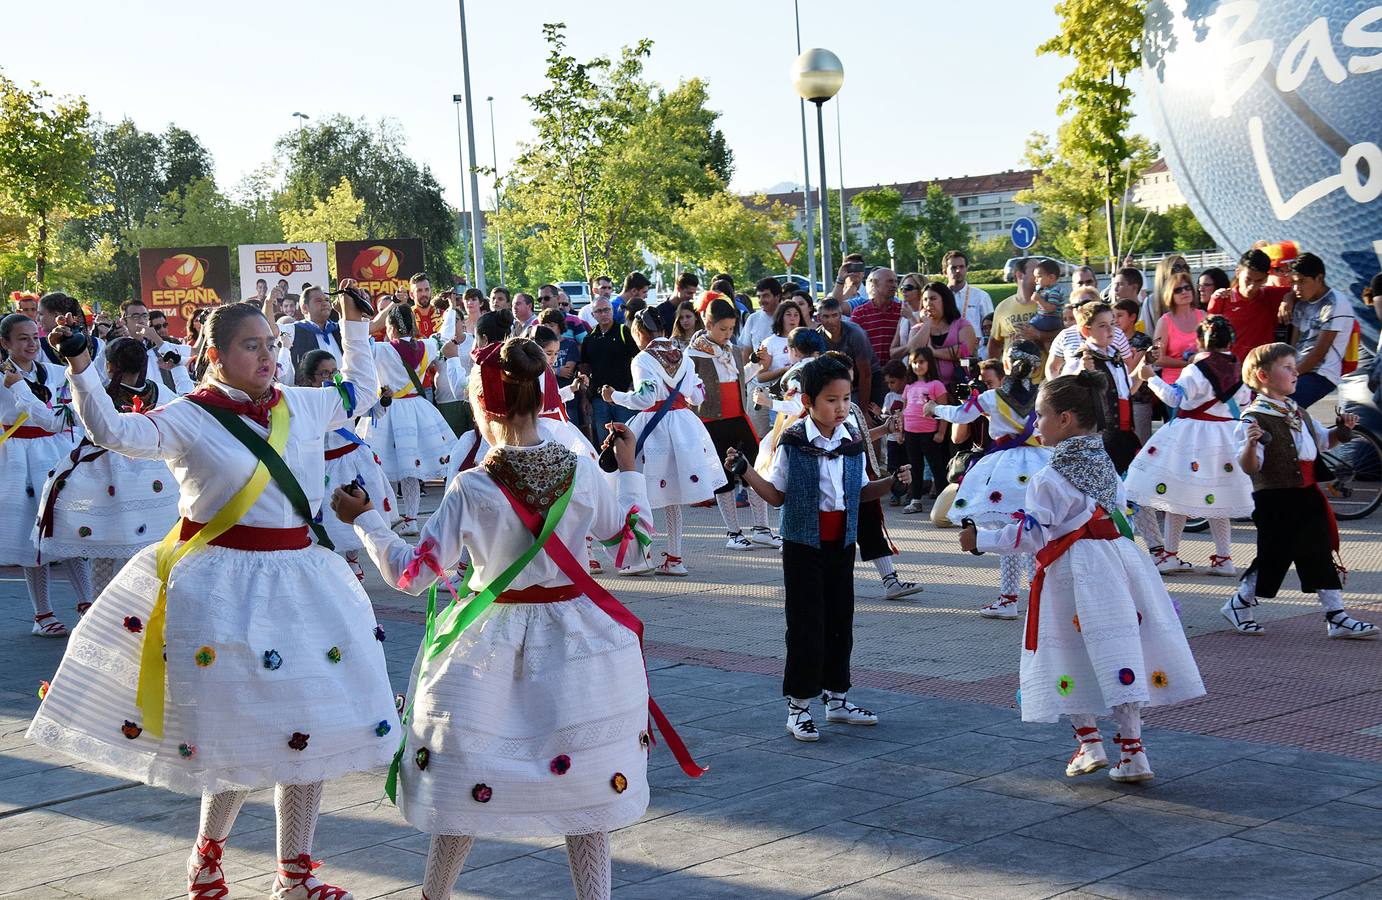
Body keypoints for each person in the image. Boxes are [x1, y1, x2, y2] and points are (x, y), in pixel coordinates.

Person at [29, 296, 398, 900]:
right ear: (217, 355)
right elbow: (111, 431)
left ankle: (296, 873)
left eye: (271, 345)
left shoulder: (303, 405)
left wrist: (356, 324)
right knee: (238, 730)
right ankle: (208, 855)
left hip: (302, 583)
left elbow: (360, 387)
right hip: (222, 590)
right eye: (251, 346)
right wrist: (80, 368)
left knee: (312, 724)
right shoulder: (188, 417)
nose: (267, 357)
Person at [334, 336, 695, 900]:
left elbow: (413, 576)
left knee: (464, 779)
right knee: (583, 787)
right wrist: (627, 470)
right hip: (577, 639)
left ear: (481, 407)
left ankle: (436, 894)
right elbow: (630, 547)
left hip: (487, 644)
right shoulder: (579, 469)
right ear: (543, 398)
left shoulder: (473, 486)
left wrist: (366, 522)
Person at [959, 373, 1205, 783]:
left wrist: (979, 539)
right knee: (1118, 650)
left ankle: (1089, 742)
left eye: (1040, 416)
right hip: (1118, 565)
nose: (1035, 424)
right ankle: (1133, 752)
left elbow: (1032, 534)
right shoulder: (1103, 462)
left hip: (1072, 574)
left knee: (1068, 652)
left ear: (1066, 419)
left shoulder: (1049, 477)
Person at [730, 356, 910, 741]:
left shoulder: (851, 441)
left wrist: (894, 481)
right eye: (831, 400)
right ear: (808, 401)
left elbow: (861, 492)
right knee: (806, 627)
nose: (841, 407)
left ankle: (838, 699)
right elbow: (776, 496)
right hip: (802, 546)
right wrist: (746, 471)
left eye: (846, 398)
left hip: (840, 545)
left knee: (840, 623)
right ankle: (798, 707)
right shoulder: (792, 442)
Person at [1223, 344, 1378, 640]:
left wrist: (1342, 430)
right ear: (1263, 375)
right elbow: (1250, 466)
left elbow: (1323, 442)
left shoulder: (1297, 411)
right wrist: (1252, 445)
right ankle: (1239, 603)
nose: (1296, 373)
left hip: (1306, 493)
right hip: (1276, 497)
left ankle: (1337, 616)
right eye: (1288, 368)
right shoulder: (1254, 418)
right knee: (1274, 557)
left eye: (1295, 366)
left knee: (1318, 552)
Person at [34, 336, 181, 597]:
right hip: (152, 478)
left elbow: (73, 421)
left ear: (110, 366)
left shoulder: (95, 392)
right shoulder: (161, 392)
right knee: (146, 551)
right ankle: (138, 614)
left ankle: (101, 608)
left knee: (104, 550)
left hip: (103, 479)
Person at [927, 341, 1049, 619]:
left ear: (1006, 365)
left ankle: (1008, 599)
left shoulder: (993, 398)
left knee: (1007, 534)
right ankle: (1039, 597)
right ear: (1036, 368)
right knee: (1033, 530)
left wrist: (934, 409)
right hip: (1040, 464)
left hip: (1005, 471)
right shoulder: (1044, 395)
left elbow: (961, 415)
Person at [1125, 316, 1252, 578]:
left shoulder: (1195, 369)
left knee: (1176, 495)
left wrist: (1151, 378)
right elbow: (1244, 404)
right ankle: (1224, 558)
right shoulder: (1238, 368)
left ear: (1200, 340)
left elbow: (1174, 397)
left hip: (1192, 438)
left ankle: (1169, 554)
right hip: (1225, 438)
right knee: (1220, 498)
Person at [604, 308, 726, 575]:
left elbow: (645, 398)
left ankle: (640, 557)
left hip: (653, 428)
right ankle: (675, 558)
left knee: (639, 489)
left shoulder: (642, 359)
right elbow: (697, 396)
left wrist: (615, 397)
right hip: (684, 428)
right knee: (673, 495)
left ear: (639, 331)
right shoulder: (683, 356)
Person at [1, 313, 90, 636]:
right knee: (31, 538)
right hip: (17, 460)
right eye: (22, 338)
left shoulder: (52, 372)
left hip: (53, 453)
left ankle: (87, 603)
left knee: (70, 530)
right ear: (5, 343)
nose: (30, 344)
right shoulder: (2, 379)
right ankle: (43, 613)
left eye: (33, 337)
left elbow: (61, 416)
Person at [297, 348, 399, 582]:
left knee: (356, 506)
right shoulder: (304, 400)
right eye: (324, 373)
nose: (331, 378)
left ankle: (352, 558)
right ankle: (334, 561)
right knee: (329, 516)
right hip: (322, 465)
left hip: (352, 460)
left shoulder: (347, 392)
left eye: (334, 371)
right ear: (311, 378)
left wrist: (383, 400)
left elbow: (372, 410)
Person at [360, 303, 458, 536]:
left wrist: (377, 318)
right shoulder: (427, 346)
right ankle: (411, 519)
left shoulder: (381, 349)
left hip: (388, 409)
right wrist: (452, 310)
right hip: (416, 409)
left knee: (382, 466)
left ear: (390, 326)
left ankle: (389, 517)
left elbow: (356, 338)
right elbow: (445, 334)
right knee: (409, 468)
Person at [689, 297, 777, 550]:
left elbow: (741, 380)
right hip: (712, 421)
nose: (727, 334)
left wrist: (757, 364)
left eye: (730, 329)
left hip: (739, 418)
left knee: (754, 470)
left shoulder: (732, 351)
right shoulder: (692, 354)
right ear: (708, 323)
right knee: (723, 477)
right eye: (722, 329)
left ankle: (762, 528)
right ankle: (733, 533)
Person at [1288, 253, 1356, 408]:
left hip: (1321, 373)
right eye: (1293, 282)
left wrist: (1289, 377)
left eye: (1302, 282)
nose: (1296, 288)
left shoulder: (1335, 303)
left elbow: (1319, 353)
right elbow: (1293, 345)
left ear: (1319, 278)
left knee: (1281, 406)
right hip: (1298, 371)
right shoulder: (1301, 302)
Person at [1207, 249, 1293, 364]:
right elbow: (1210, 341)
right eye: (1248, 279)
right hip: (1232, 371)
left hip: (1263, 370)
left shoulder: (1271, 295)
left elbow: (1301, 289)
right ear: (1238, 273)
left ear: (1266, 278)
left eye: (1258, 280)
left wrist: (1289, 298)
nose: (1252, 286)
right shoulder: (1220, 299)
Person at [899, 346, 950, 514]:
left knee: (937, 466)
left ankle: (945, 501)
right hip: (911, 431)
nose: (917, 366)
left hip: (930, 433)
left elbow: (944, 411)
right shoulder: (909, 386)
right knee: (915, 466)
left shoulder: (937, 385)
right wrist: (901, 432)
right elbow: (904, 411)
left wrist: (941, 432)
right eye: (914, 362)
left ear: (930, 363)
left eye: (921, 362)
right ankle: (915, 500)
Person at [580, 297, 639, 440]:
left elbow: (638, 360)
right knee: (604, 442)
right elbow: (585, 369)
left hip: (623, 396)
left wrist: (632, 387)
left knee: (628, 440)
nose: (603, 314)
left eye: (606, 310)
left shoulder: (623, 331)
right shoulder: (590, 338)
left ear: (612, 311)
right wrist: (585, 397)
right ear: (593, 315)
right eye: (599, 311)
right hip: (599, 399)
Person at [901, 282, 979, 387]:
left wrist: (933, 352)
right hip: (927, 389)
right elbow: (914, 351)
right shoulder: (918, 329)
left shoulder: (962, 325)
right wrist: (927, 324)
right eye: (925, 300)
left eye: (933, 299)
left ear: (945, 300)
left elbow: (964, 350)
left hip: (959, 386)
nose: (928, 303)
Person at [1046, 288, 1134, 380]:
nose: (1080, 309)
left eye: (1086, 304)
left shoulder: (1116, 334)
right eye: (1075, 306)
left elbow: (1128, 367)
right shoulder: (1065, 335)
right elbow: (1053, 368)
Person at [817, 297, 881, 411]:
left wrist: (863, 411)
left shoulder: (855, 334)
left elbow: (866, 374)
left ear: (840, 316)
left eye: (834, 315)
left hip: (867, 380)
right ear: (818, 318)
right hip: (838, 382)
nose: (830, 321)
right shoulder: (817, 337)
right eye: (826, 316)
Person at [989, 257, 1046, 372]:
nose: (1040, 276)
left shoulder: (1048, 304)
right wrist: (996, 373)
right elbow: (995, 343)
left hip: (1042, 380)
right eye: (1035, 272)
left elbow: (1060, 334)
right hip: (1012, 380)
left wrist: (1038, 335)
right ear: (1020, 275)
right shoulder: (1002, 307)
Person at [1150, 270, 1206, 385]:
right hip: (1175, 385)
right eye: (1178, 290)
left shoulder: (1204, 316)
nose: (1184, 292)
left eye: (1187, 287)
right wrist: (1189, 364)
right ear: (1170, 294)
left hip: (1203, 382)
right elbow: (1158, 358)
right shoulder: (1164, 322)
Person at [278, 283, 342, 376]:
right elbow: (269, 330)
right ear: (304, 308)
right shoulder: (294, 330)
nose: (325, 303)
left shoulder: (339, 328)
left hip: (342, 388)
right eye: (318, 301)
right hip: (310, 389)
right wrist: (268, 302)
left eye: (327, 300)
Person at [849, 268, 904, 370]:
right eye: (890, 281)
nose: (895, 285)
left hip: (897, 374)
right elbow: (852, 346)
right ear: (875, 283)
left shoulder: (902, 311)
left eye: (896, 281)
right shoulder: (860, 313)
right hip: (870, 374)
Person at [944, 250, 994, 340]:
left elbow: (991, 328)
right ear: (944, 272)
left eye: (962, 267)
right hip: (945, 348)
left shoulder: (981, 296)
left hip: (975, 350)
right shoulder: (939, 297)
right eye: (953, 268)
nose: (958, 270)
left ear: (967, 269)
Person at [1027, 259, 1067, 334]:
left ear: (1051, 277)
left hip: (1050, 319)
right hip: (1044, 317)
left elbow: (1051, 309)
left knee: (1028, 328)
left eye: (1038, 277)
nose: (1036, 280)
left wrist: (1039, 300)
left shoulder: (1054, 291)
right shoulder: (1046, 289)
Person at [654, 272, 699, 337]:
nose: (692, 297)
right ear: (678, 289)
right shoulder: (659, 312)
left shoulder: (693, 309)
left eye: (688, 317)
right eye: (689, 293)